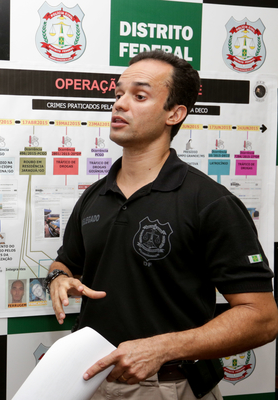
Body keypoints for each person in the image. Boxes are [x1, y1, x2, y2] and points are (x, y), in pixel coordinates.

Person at [48, 51, 278, 399]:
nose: (119, 105)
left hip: (169, 385)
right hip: (91, 382)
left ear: (175, 113)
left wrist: (163, 348)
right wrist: (59, 278)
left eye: (139, 96)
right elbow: (66, 262)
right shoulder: (95, 196)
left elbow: (261, 317)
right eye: (118, 94)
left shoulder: (210, 202)